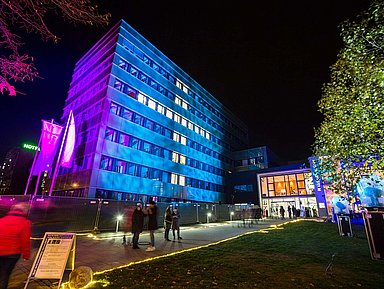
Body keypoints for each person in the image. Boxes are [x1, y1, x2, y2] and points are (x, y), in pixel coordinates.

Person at [0, 203, 31, 289]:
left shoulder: (1, 220)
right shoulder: (25, 223)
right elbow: (25, 240)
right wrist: (26, 255)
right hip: (12, 254)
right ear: (25, 212)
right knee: (5, 274)